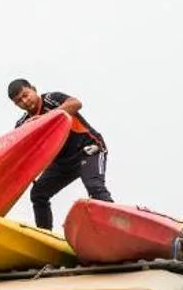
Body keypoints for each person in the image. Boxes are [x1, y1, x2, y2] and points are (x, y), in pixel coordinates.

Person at [8, 79, 112, 231]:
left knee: (94, 186)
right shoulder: (23, 124)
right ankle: (44, 235)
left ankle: (114, 224)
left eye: (25, 95)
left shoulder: (51, 99)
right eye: (19, 101)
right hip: (62, 164)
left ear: (34, 89)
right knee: (38, 193)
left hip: (88, 150)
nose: (24, 101)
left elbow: (76, 103)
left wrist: (46, 118)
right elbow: (19, 150)